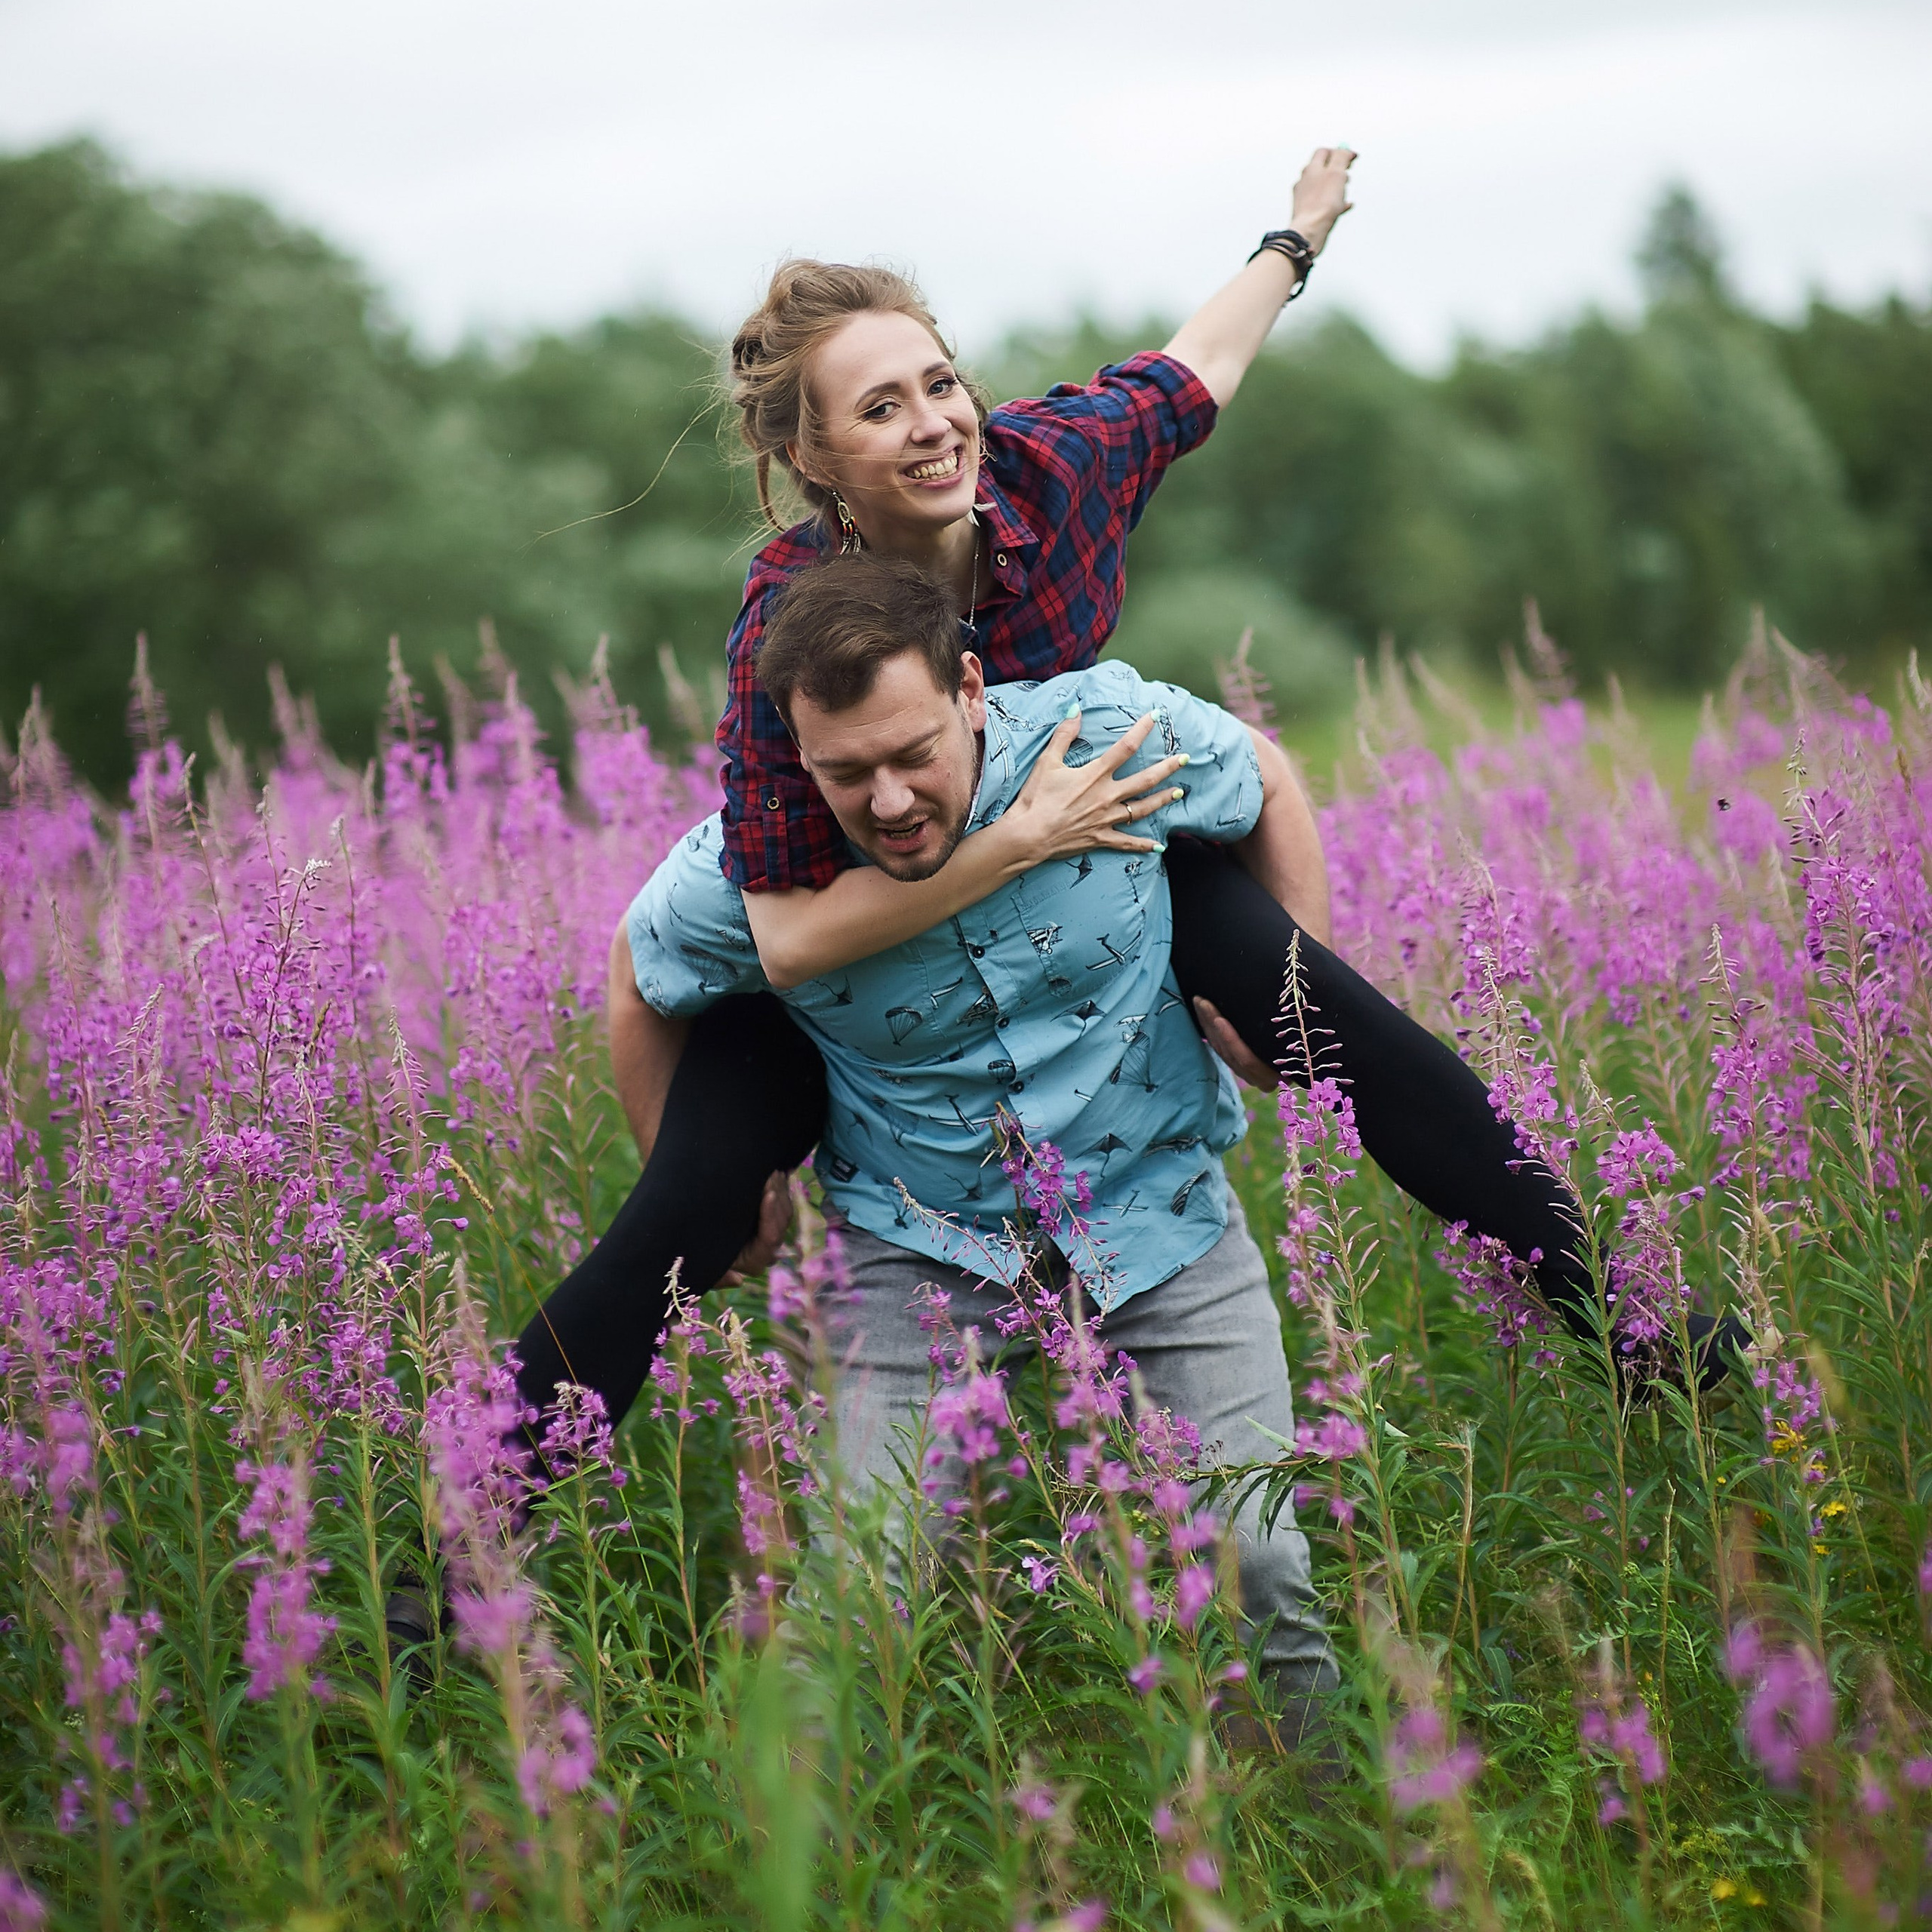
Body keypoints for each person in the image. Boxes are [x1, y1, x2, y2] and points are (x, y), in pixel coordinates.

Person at [510, 149, 1742, 1445]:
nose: (933, 425)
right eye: (881, 409)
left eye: (941, 385)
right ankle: (462, 1538)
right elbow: (778, 929)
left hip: (1090, 857)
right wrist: (1011, 837)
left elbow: (1196, 369)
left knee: (1321, 1011)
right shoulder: (792, 624)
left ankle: (1626, 1319)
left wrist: (1295, 242)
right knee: (689, 1205)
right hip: (874, 917)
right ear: (815, 456)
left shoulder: (1050, 470)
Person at [623, 552, 1338, 1716]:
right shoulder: (757, 873)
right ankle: (796, 1870)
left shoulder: (1100, 737)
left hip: (1159, 1218)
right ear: (795, 749)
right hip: (916, 1247)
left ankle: (1321, 1846)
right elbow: (640, 971)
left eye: (914, 756)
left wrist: (1292, 1006)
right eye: (848, 773)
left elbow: (1266, 775)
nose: (891, 800)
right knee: (863, 1591)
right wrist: (693, 1187)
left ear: (967, 687)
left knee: (1256, 1560)